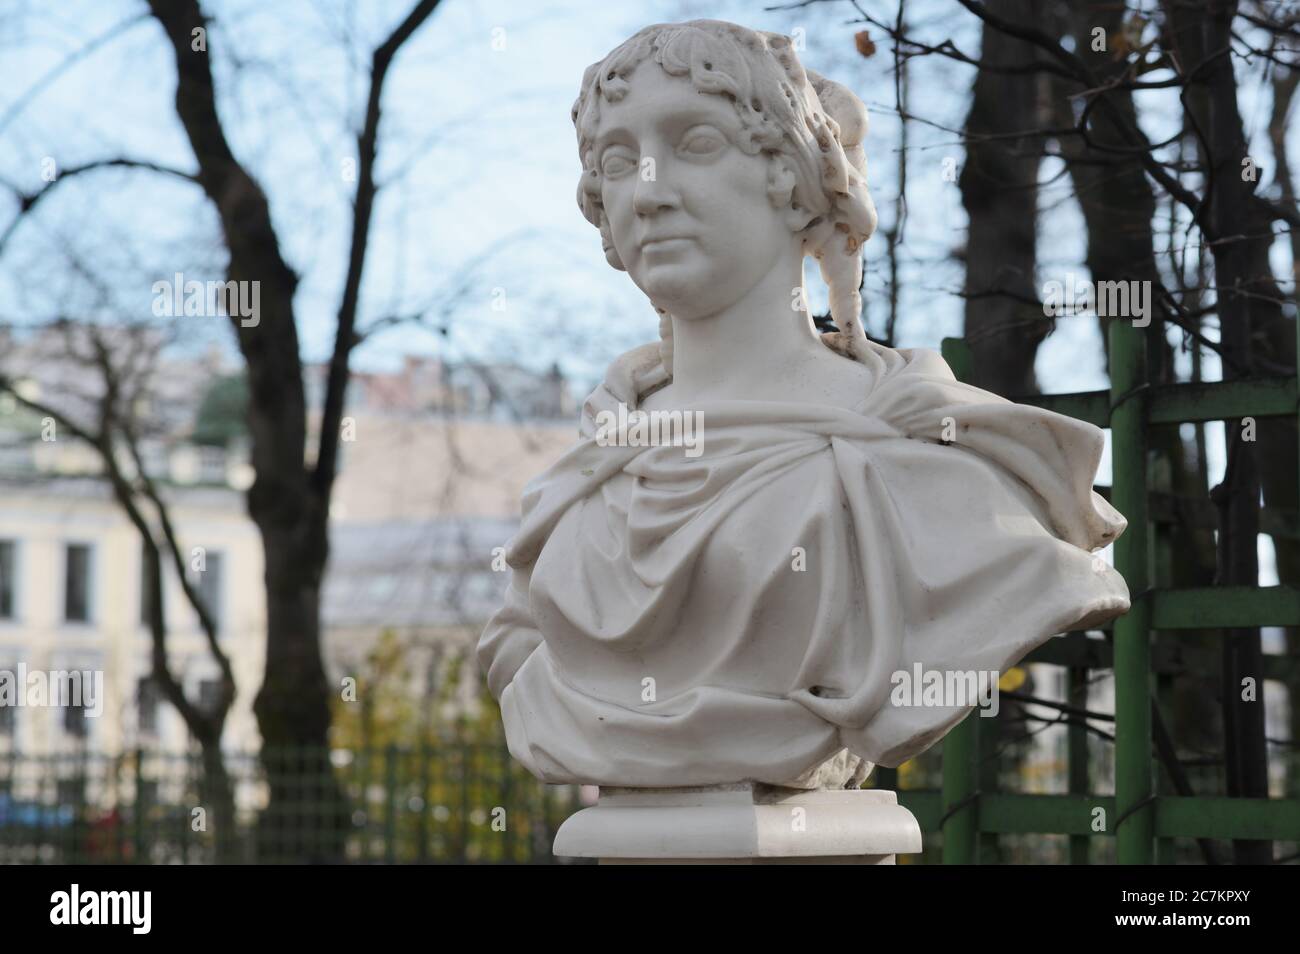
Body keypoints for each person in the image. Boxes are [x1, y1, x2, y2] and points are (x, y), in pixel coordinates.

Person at [477, 19, 1130, 789]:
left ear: (794, 179)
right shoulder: (583, 478)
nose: (647, 191)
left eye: (696, 144)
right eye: (619, 160)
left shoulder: (931, 469)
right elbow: (516, 648)